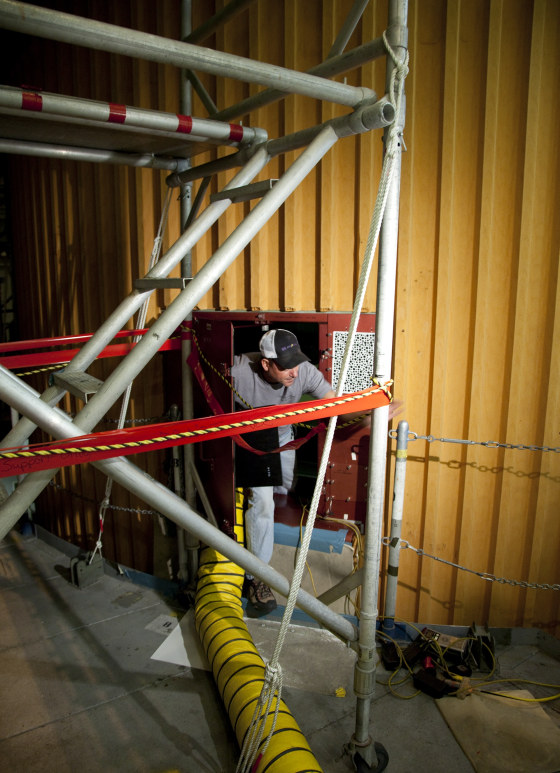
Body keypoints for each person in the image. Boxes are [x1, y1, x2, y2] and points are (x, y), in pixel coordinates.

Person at [231, 328, 335, 618]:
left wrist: (372, 411)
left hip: (281, 432)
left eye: (297, 361)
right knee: (261, 502)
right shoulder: (237, 371)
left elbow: (333, 402)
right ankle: (257, 577)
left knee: (284, 489)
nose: (294, 371)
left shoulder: (304, 372)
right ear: (265, 364)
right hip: (248, 434)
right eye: (285, 365)